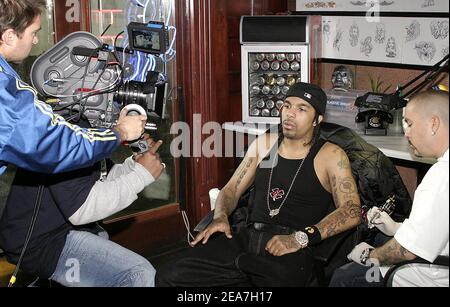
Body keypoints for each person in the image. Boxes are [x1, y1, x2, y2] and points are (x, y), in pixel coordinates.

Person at [156, 82, 362, 287]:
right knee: (169, 275)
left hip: (291, 247)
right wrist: (220, 217)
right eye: (287, 105)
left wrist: (300, 238)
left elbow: (352, 210)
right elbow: (231, 190)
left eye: (302, 109)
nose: (290, 114)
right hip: (247, 238)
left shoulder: (331, 155)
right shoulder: (265, 144)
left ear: (317, 120)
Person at [0, 131, 165, 287]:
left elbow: (101, 180)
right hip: (39, 243)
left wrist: (135, 165)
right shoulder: (69, 134)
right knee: (137, 275)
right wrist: (140, 176)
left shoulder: (87, 129)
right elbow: (81, 209)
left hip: (60, 229)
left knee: (101, 235)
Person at [0, 0, 146, 176]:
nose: (36, 40)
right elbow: (58, 146)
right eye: (33, 33)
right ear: (9, 36)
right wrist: (121, 131)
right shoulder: (7, 93)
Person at [330, 90, 449, 287]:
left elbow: (407, 251)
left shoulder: (441, 177)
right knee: (381, 237)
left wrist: (369, 256)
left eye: (410, 124)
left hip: (430, 277)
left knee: (344, 276)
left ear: (433, 124)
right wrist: (396, 228)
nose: (407, 133)